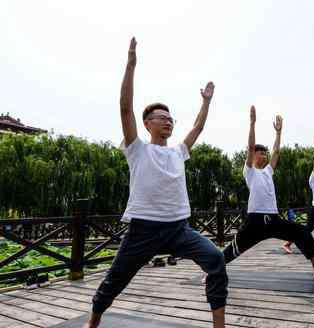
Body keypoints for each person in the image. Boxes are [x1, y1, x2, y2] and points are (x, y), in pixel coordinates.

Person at [84, 38, 227, 328]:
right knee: (115, 279)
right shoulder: (137, 148)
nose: (169, 122)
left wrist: (206, 101)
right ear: (147, 123)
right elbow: (125, 108)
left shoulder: (178, 153)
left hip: (179, 229)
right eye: (162, 118)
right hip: (143, 229)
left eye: (171, 119)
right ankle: (93, 320)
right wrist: (131, 65)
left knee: (216, 260)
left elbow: (198, 127)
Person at [220, 106, 314, 281]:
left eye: (265, 153)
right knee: (234, 249)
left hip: (274, 219)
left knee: (303, 234)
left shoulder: (268, 171)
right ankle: (213, 272)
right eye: (261, 153)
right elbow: (251, 146)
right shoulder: (250, 171)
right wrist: (252, 123)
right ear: (253, 155)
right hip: (255, 221)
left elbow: (276, 151)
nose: (265, 155)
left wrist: (278, 133)